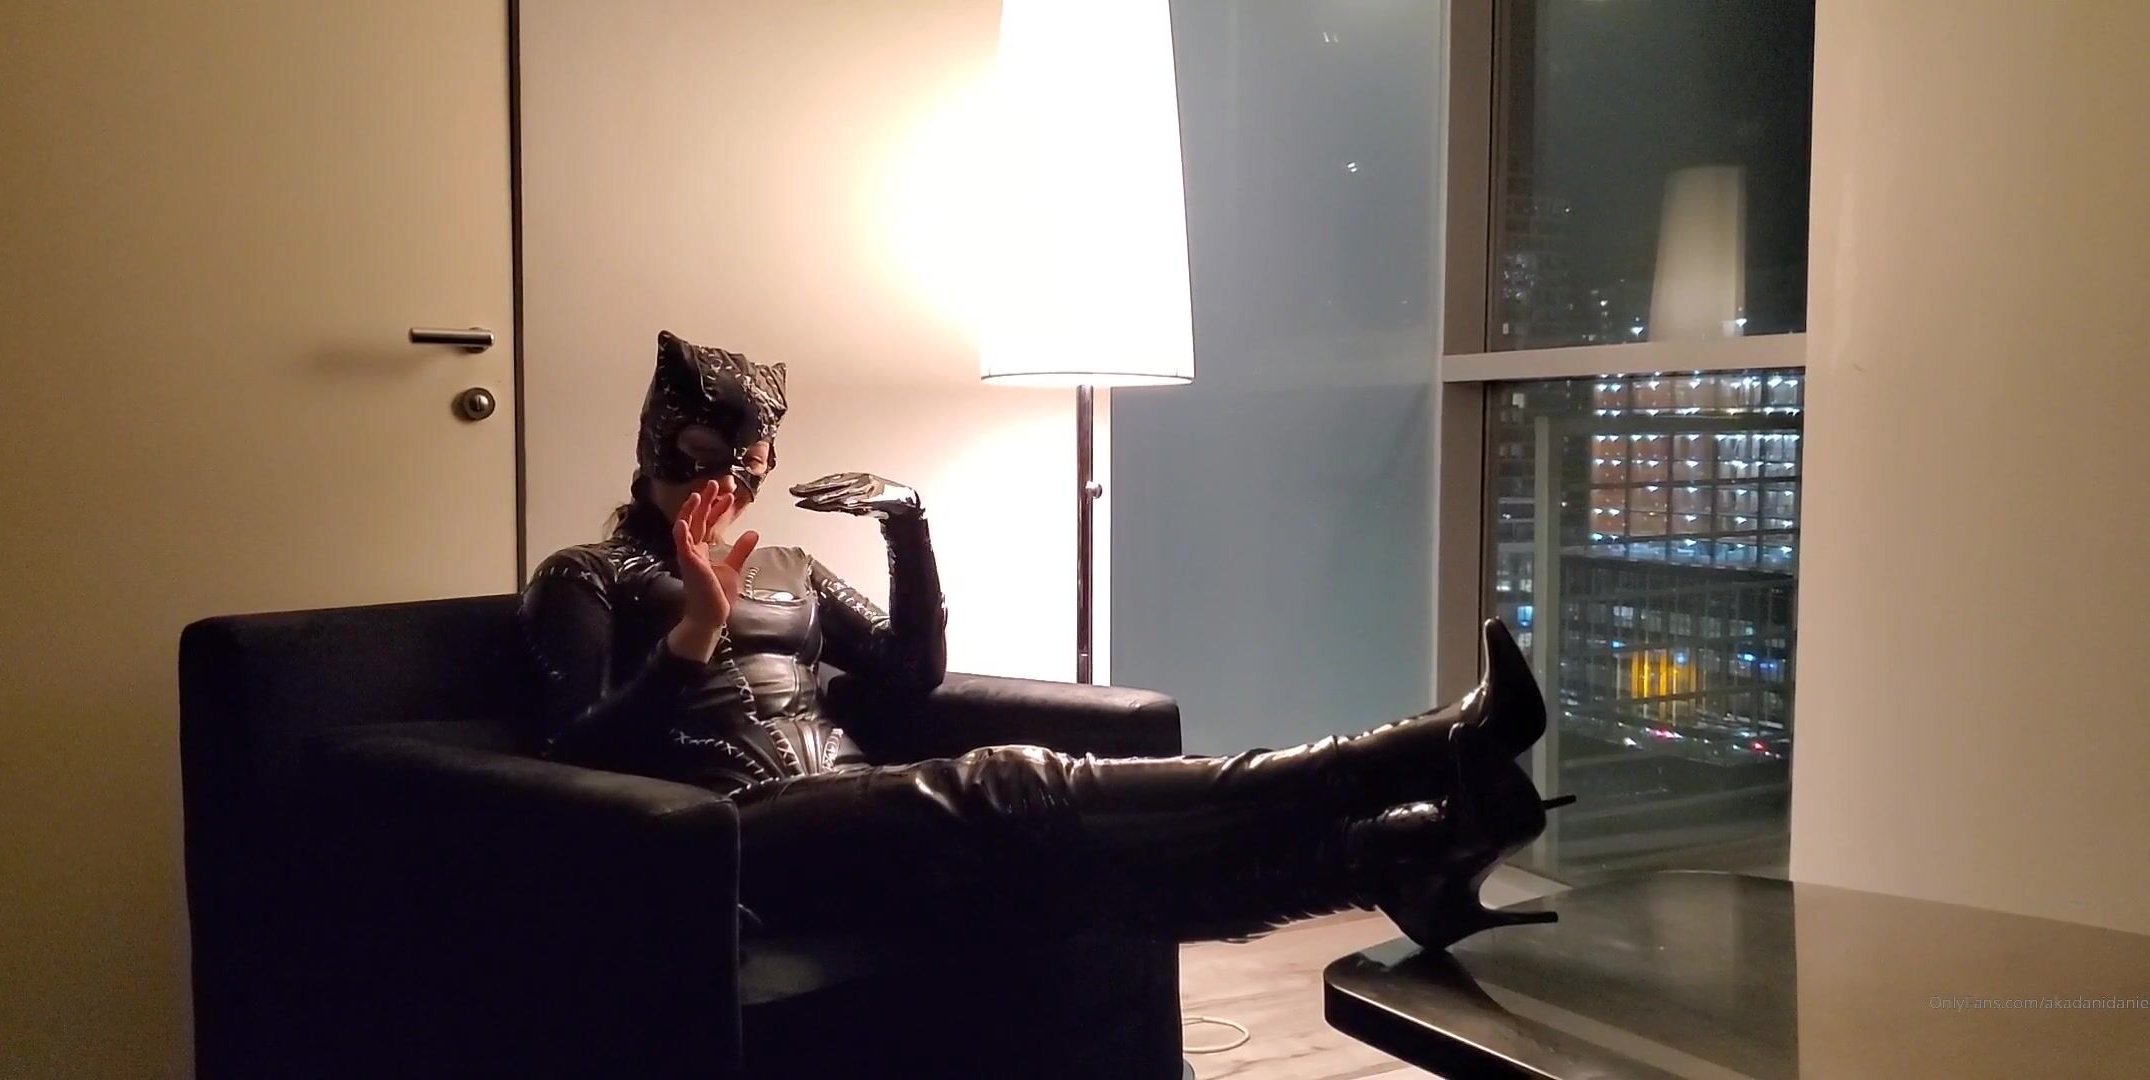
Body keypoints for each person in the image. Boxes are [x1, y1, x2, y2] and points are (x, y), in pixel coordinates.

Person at [518, 330, 1558, 950]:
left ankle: (1381, 862)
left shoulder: (785, 563)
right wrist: (694, 632)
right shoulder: (585, 574)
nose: (730, 483)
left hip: (853, 801)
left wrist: (908, 525)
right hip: (733, 832)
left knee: (1067, 880)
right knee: (1009, 778)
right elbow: (575, 756)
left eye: (750, 464)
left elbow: (912, 672)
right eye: (707, 454)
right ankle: (1417, 751)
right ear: (657, 445)